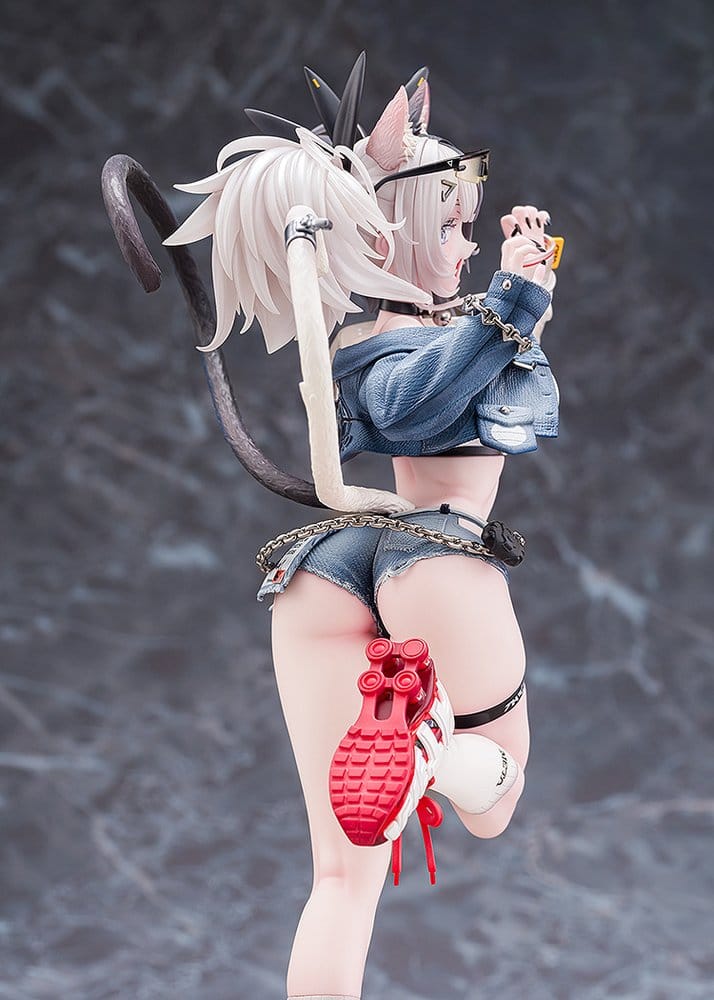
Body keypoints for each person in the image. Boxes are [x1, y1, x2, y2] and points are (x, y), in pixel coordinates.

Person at [164, 58, 559, 1000]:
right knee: (498, 796)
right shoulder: (385, 346)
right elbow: (415, 400)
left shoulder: (380, 332)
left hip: (325, 573)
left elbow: (473, 352)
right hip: (435, 555)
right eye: (450, 228)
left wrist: (525, 280)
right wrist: (515, 299)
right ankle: (427, 748)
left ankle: (408, 743)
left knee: (342, 878)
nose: (465, 247)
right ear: (389, 234)